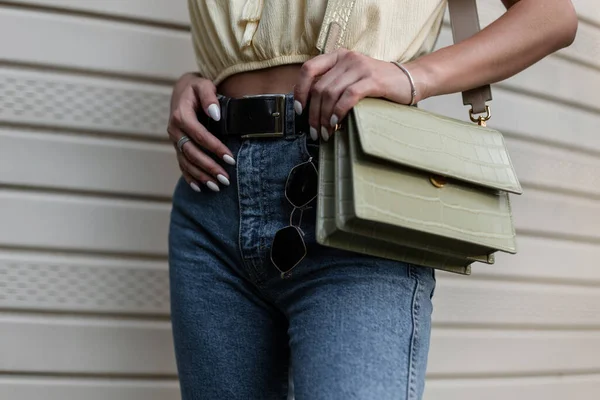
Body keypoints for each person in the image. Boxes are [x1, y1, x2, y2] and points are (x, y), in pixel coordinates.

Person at [167, 1, 577, 399]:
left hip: (359, 196)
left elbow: (551, 15)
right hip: (213, 195)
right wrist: (197, 81)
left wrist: (412, 76)